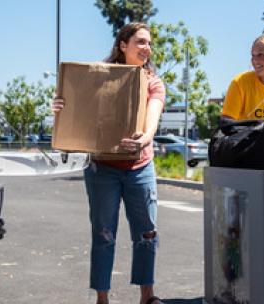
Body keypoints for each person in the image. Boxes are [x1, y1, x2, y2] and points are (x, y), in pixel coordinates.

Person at [52, 22, 165, 304]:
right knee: (104, 233)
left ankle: (147, 296)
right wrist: (61, 108)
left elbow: (153, 114)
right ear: (122, 45)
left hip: (140, 167)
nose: (146, 48)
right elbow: (77, 109)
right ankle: (102, 298)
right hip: (103, 169)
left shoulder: (152, 82)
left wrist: (146, 137)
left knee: (147, 232)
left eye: (149, 43)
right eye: (140, 42)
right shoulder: (97, 79)